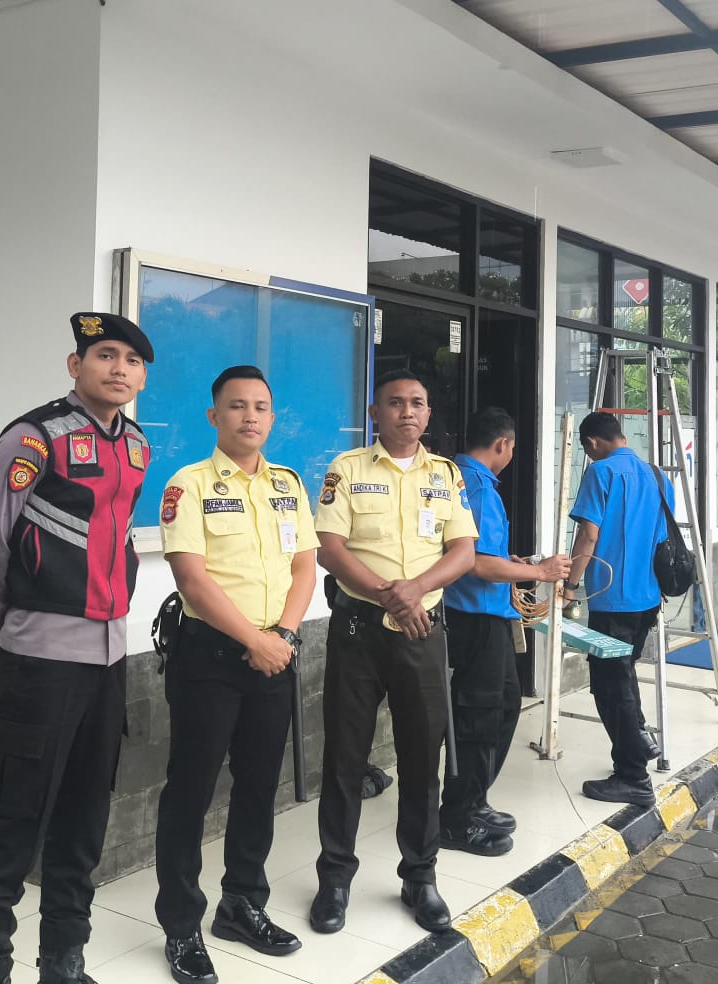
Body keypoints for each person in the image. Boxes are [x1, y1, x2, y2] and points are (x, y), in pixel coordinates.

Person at [0, 312, 154, 984]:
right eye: (105, 355)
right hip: (39, 658)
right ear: (76, 366)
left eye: (131, 360)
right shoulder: (34, 437)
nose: (119, 369)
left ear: (142, 377)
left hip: (108, 662)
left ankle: (63, 962)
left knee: (82, 825)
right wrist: (4, 631)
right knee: (12, 828)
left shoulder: (135, 445)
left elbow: (118, 538)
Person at [154, 366, 317, 984]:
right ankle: (181, 925)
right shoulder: (189, 484)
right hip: (211, 661)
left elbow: (305, 566)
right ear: (214, 416)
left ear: (272, 417)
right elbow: (191, 579)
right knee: (190, 792)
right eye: (237, 406)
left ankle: (241, 905)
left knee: (258, 786)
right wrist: (256, 641)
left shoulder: (288, 484)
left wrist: (284, 638)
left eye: (260, 407)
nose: (250, 416)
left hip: (275, 654)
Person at [309, 369, 478, 937]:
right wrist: (391, 595)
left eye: (418, 403)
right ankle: (335, 878)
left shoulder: (445, 474)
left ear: (428, 414)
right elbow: (329, 549)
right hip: (359, 629)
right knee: (345, 758)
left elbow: (463, 551)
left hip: (422, 631)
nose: (408, 412)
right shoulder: (348, 469)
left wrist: (416, 591)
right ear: (375, 413)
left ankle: (420, 877)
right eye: (396, 403)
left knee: (421, 759)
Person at [440, 408, 570, 856]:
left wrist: (517, 565)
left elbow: (486, 556)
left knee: (505, 704)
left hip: (486, 614)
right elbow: (477, 563)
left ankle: (474, 799)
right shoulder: (475, 487)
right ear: (503, 445)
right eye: (512, 447)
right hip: (475, 617)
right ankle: (458, 818)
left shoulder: (462, 478)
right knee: (479, 717)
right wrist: (543, 571)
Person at [567, 410, 672, 807]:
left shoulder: (601, 472)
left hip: (612, 599)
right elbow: (661, 536)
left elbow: (588, 536)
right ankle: (636, 743)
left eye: (587, 449)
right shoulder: (657, 475)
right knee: (623, 675)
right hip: (647, 597)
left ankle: (633, 776)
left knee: (611, 684)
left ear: (592, 443)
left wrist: (570, 586)